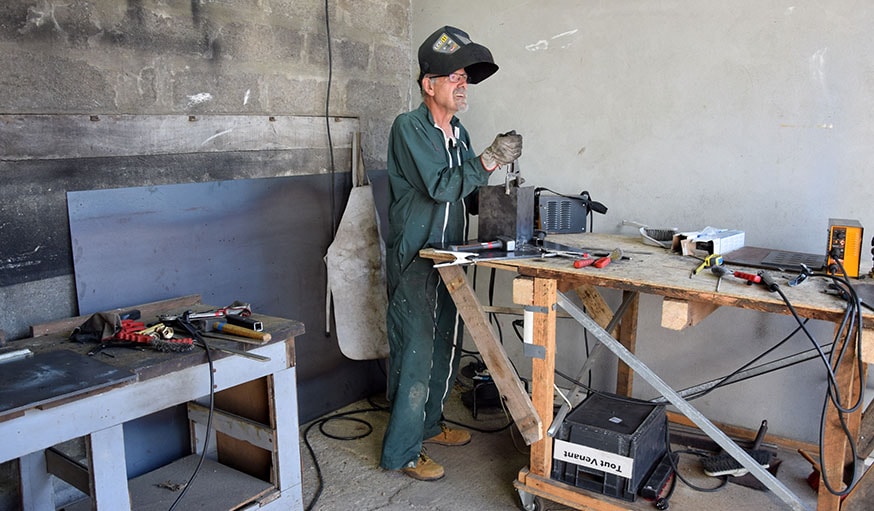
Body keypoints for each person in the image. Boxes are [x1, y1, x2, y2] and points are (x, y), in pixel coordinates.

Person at [379, 25, 523, 481]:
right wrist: (488, 161)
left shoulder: (457, 132)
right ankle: (402, 451)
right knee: (416, 352)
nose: (463, 86)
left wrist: (507, 195)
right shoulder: (410, 127)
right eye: (454, 77)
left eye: (465, 78)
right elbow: (443, 186)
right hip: (416, 258)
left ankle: (431, 425)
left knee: (444, 345)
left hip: (449, 259)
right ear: (429, 84)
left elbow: (465, 192)